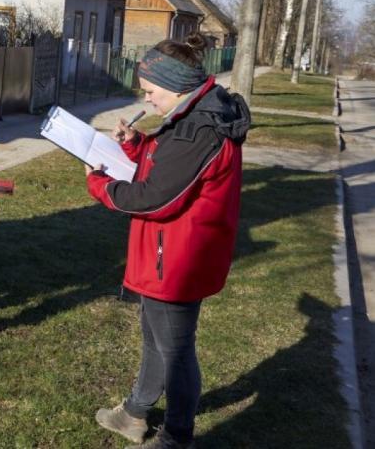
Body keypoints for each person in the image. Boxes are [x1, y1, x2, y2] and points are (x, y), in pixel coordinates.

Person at [85, 34, 250, 449]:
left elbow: (157, 197)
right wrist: (137, 145)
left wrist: (100, 184)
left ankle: (177, 435)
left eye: (149, 90)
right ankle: (135, 413)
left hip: (178, 259)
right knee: (155, 337)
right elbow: (170, 166)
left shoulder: (199, 129)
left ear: (175, 85)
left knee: (176, 350)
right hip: (170, 253)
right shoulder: (195, 113)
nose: (146, 97)